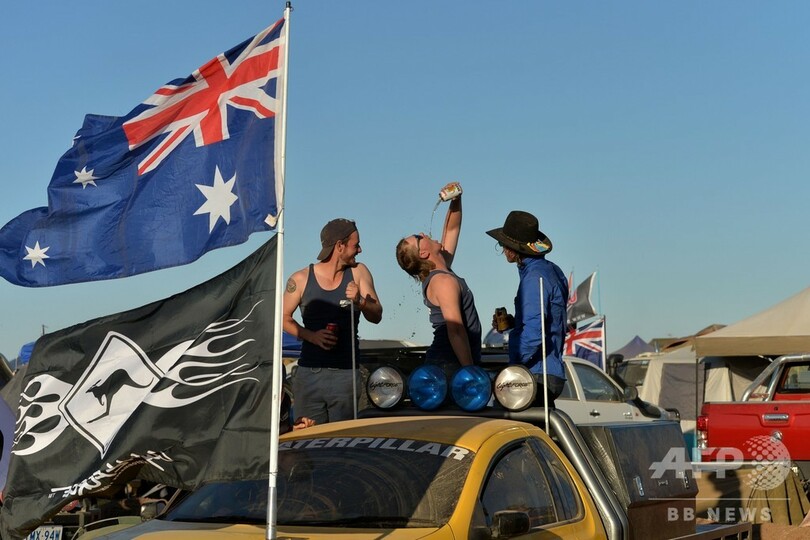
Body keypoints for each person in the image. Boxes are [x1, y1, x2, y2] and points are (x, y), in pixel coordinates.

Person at [283, 218, 383, 424]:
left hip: (346, 375)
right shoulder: (300, 279)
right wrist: (311, 336)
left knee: (345, 443)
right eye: (356, 245)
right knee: (309, 443)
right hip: (309, 375)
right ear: (339, 246)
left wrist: (361, 301)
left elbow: (377, 316)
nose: (360, 250)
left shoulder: (358, 272)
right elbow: (282, 318)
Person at [395, 183, 482, 378]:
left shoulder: (441, 268)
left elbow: (452, 229)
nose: (424, 233)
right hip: (449, 366)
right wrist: (471, 373)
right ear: (424, 253)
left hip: (448, 364)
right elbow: (456, 331)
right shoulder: (443, 281)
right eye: (419, 237)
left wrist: (456, 200)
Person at [486, 210, 567, 408]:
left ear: (514, 249)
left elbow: (533, 333)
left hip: (536, 374)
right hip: (548, 372)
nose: (503, 249)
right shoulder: (550, 270)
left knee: (499, 424)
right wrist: (514, 323)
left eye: (504, 245)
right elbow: (549, 320)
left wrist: (513, 368)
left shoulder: (533, 278)